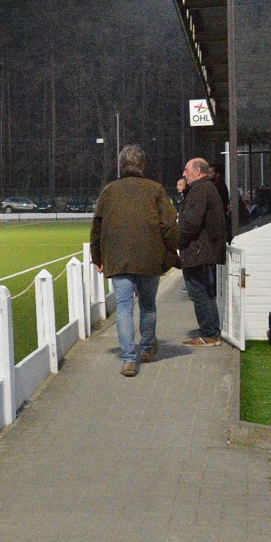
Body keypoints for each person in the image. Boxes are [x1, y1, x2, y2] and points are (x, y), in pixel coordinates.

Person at [90, 145, 178, 376]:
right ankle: (148, 349)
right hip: (150, 257)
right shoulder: (155, 189)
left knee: (124, 306)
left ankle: (129, 359)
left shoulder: (109, 191)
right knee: (148, 305)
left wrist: (97, 257)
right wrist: (171, 252)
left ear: (121, 166)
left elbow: (97, 226)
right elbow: (168, 224)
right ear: (143, 166)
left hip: (118, 258)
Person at [178, 158, 227, 347]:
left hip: (197, 251)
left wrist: (179, 242)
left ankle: (208, 334)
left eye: (186, 170)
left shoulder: (200, 190)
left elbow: (191, 223)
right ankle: (213, 332)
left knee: (198, 291)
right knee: (206, 292)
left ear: (198, 171)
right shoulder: (208, 188)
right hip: (206, 250)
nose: (184, 174)